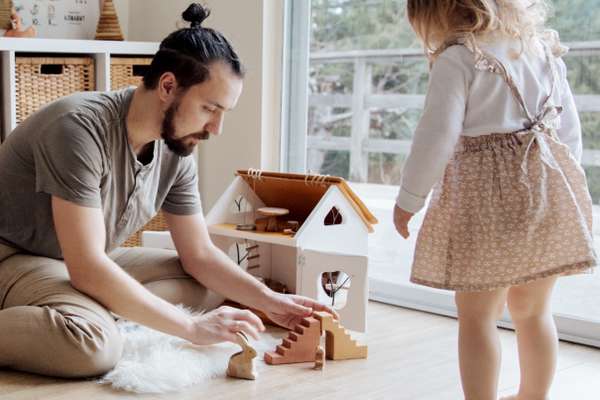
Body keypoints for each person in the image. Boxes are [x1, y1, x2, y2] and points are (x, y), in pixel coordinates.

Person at [0, 3, 336, 378]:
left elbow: (200, 255)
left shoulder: (176, 149)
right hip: (15, 257)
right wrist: (190, 328)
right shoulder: (77, 129)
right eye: (210, 108)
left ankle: (94, 307)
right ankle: (89, 317)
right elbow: (88, 267)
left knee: (205, 286)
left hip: (75, 261)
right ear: (168, 86)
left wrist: (271, 302)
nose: (217, 128)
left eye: (224, 112)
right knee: (93, 344)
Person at [393, 1, 597, 399]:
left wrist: (409, 199)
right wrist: (574, 191)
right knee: (534, 311)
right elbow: (569, 134)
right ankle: (532, 396)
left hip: (486, 205)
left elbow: (436, 137)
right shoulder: (540, 50)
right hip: (545, 194)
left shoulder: (459, 59)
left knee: (477, 317)